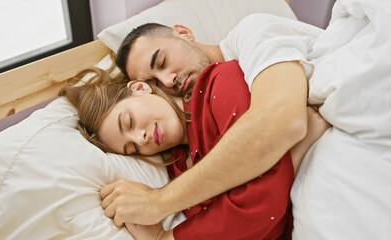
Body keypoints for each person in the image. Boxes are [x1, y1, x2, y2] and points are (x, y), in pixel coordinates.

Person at [60, 59, 330, 239]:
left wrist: (164, 237)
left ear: (140, 88)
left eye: (129, 121)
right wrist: (290, 159)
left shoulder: (219, 82)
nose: (141, 139)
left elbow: (260, 204)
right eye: (132, 149)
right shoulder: (178, 171)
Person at [100, 13, 324, 229]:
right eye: (155, 84)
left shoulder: (251, 33)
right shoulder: (187, 144)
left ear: (184, 33)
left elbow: (284, 120)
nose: (168, 81)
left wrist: (158, 204)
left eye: (162, 62)